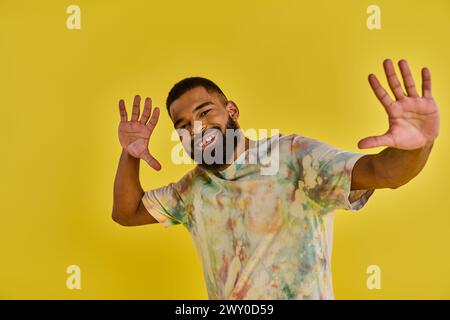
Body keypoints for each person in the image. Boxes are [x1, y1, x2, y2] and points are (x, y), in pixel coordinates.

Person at [112, 59, 439, 299]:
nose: (196, 128)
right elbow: (126, 213)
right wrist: (130, 154)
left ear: (232, 110)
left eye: (204, 112)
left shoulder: (295, 158)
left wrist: (419, 145)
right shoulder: (192, 189)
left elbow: (384, 173)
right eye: (182, 125)